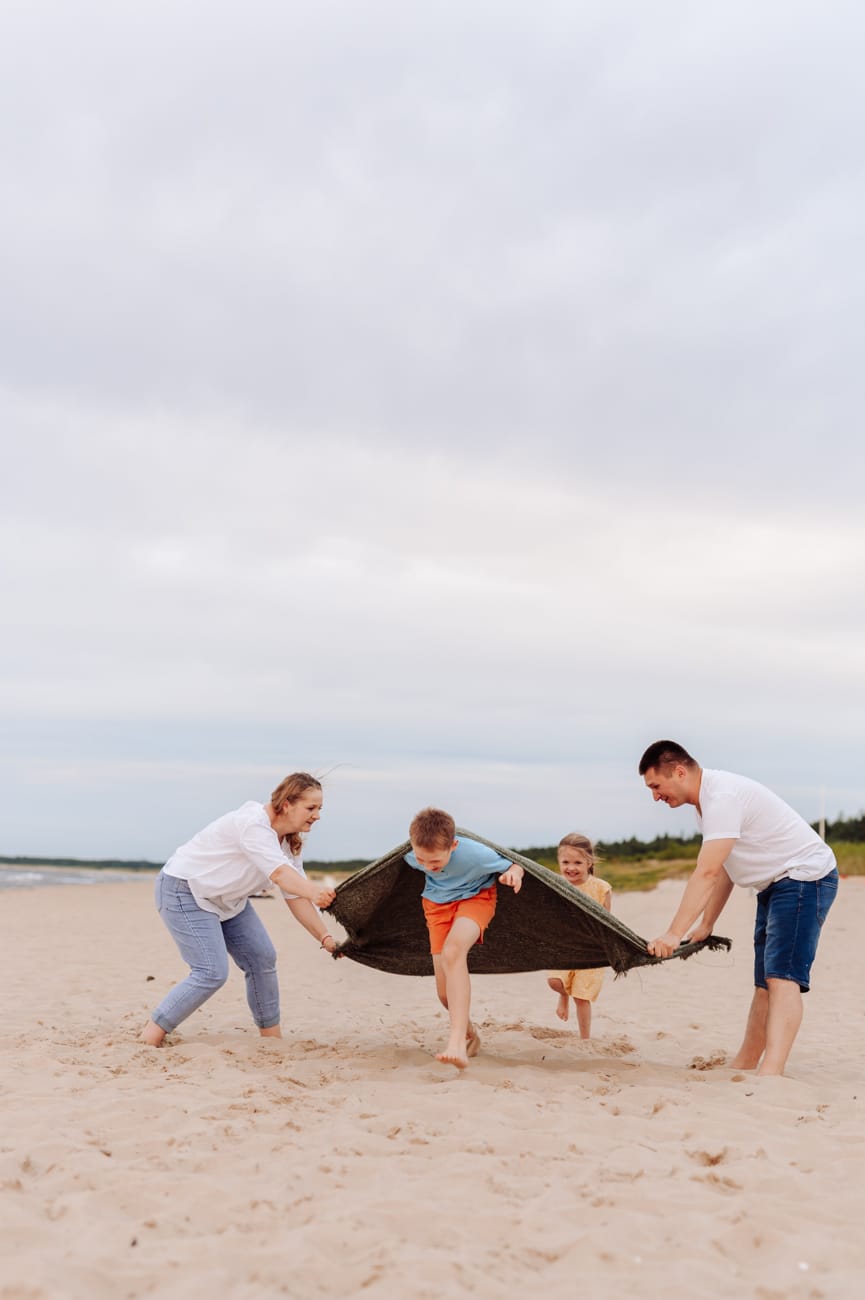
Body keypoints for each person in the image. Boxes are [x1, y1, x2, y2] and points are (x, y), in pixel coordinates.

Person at [639, 740, 838, 1077]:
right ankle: (746, 1064)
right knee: (765, 982)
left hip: (805, 878)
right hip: (775, 885)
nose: (655, 796)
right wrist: (706, 924)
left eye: (656, 786)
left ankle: (771, 1072)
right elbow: (726, 869)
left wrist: (674, 933)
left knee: (782, 978)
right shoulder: (707, 806)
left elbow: (706, 872)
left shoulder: (722, 797)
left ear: (679, 771)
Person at [140, 773, 336, 1046]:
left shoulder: (288, 840)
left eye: (319, 809)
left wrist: (324, 937)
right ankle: (150, 1038)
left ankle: (271, 1040)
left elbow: (294, 893)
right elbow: (281, 875)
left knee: (262, 957)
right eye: (311, 808)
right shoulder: (253, 824)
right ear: (287, 804)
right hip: (185, 890)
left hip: (228, 900)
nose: (316, 816)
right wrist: (315, 892)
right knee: (211, 972)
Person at [406, 807, 524, 1069]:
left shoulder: (476, 854)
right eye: (421, 860)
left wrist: (514, 873)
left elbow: (514, 863)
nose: (427, 866)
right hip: (436, 906)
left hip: (476, 898)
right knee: (444, 994)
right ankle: (469, 1033)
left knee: (453, 951)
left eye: (435, 862)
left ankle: (456, 1042)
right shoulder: (412, 855)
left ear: (454, 845)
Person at [546, 833, 612, 1038]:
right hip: (565, 946)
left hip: (591, 950)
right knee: (555, 982)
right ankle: (563, 995)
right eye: (565, 862)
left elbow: (609, 921)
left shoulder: (601, 888)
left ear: (588, 862)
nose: (570, 868)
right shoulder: (557, 885)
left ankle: (585, 1038)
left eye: (577, 862)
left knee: (582, 997)